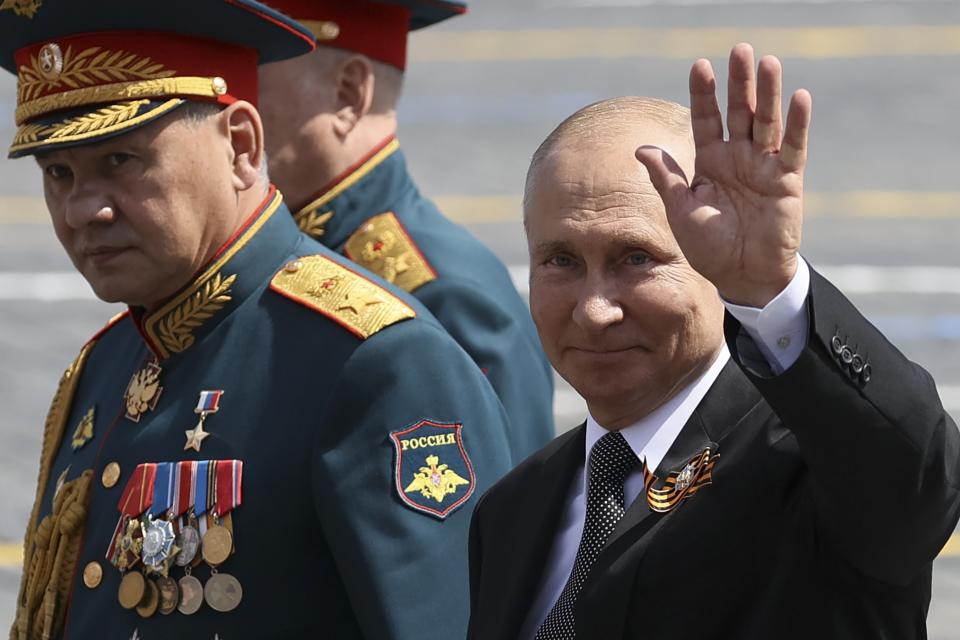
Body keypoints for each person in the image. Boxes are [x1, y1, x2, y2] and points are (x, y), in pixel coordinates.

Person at [2, 2, 514, 638]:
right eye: (59, 172)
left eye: (121, 162)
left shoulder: (374, 361)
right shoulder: (107, 365)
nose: (83, 210)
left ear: (241, 145)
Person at [468, 44, 960, 639]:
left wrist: (769, 289)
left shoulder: (804, 465)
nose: (594, 310)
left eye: (637, 259)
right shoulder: (513, 511)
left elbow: (915, 470)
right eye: (561, 260)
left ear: (713, 258)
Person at [256, 0, 555, 463]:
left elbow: (505, 518)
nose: (231, 107)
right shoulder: (298, 251)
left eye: (252, 75)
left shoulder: (442, 294)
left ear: (349, 92)